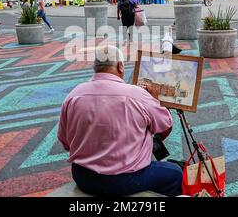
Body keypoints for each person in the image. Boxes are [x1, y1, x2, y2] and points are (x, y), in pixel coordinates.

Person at [58, 46, 182, 197]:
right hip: (124, 179)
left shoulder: (73, 95)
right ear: (120, 66)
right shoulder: (137, 95)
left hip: (83, 177)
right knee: (175, 172)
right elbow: (165, 124)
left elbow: (65, 142)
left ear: (95, 67)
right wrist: (156, 100)